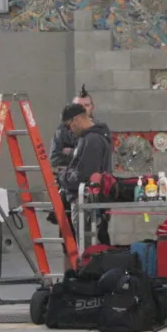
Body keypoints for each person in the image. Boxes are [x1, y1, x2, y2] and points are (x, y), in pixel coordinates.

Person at [57, 103, 115, 244]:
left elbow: (83, 175)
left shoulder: (92, 140)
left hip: (86, 203)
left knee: (87, 249)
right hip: (92, 202)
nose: (69, 130)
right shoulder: (94, 136)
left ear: (76, 120)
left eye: (68, 125)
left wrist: (62, 177)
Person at [50, 86, 97, 177]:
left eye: (86, 105)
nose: (82, 109)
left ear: (92, 108)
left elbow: (96, 159)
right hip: (68, 180)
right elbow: (54, 159)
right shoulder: (62, 130)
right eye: (78, 105)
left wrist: (72, 152)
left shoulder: (99, 129)